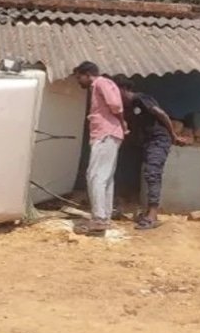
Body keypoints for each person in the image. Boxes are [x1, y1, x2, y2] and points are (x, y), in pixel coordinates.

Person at [116, 79, 190, 230]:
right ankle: (138, 209)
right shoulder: (126, 107)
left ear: (123, 89)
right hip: (144, 142)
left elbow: (161, 114)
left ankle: (153, 215)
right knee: (134, 172)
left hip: (158, 139)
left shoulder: (140, 99)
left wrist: (173, 135)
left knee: (152, 173)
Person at [73, 62, 128, 236]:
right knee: (105, 177)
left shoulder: (101, 83)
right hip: (109, 134)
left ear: (88, 74)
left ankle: (99, 219)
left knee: (95, 176)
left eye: (79, 77)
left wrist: (122, 121)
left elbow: (115, 105)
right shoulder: (101, 85)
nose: (78, 81)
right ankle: (104, 217)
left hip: (105, 134)